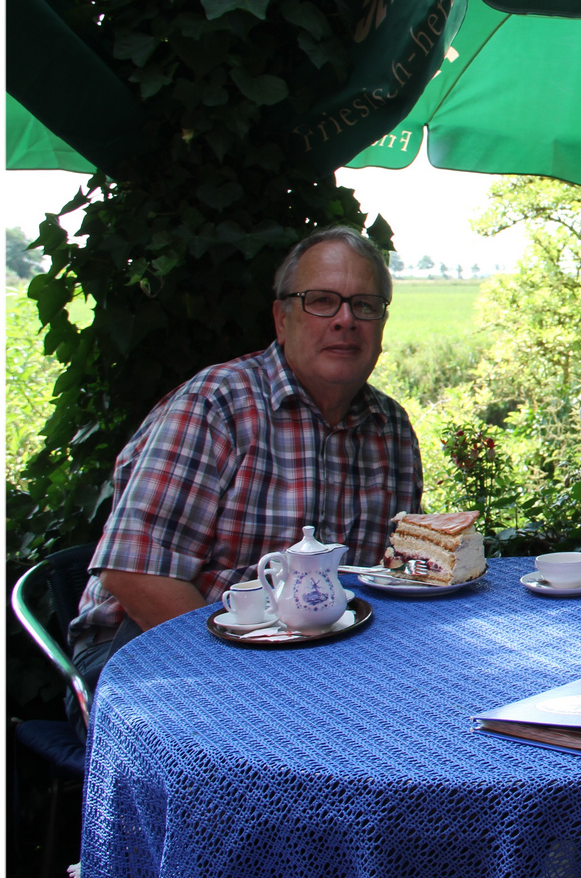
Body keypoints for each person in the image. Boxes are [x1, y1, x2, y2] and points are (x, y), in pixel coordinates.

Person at [67, 226, 423, 719]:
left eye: (365, 305)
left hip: (317, 661)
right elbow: (133, 571)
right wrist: (246, 683)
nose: (346, 320)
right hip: (155, 651)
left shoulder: (392, 429)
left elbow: (391, 573)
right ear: (282, 318)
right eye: (322, 301)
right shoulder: (216, 404)